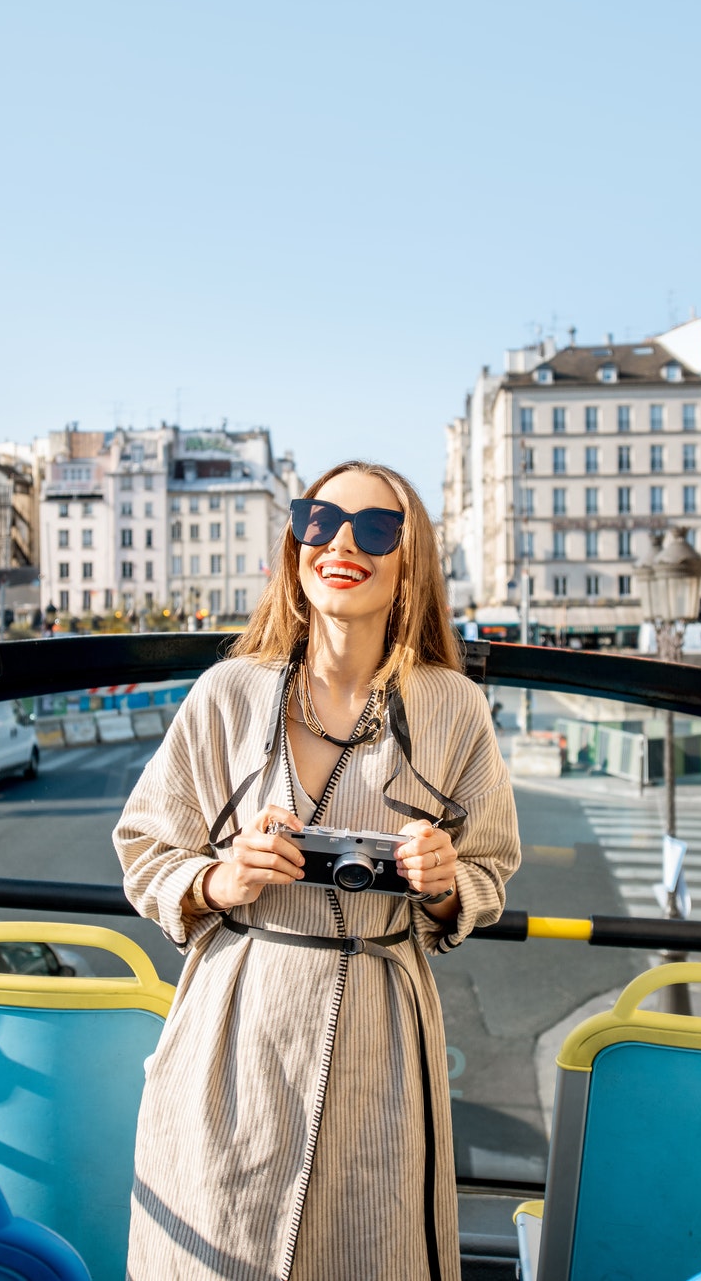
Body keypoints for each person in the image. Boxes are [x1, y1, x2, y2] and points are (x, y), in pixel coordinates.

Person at [115, 461, 523, 1281]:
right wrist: (220, 879)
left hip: (381, 1030)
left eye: (376, 530)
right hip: (233, 1025)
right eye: (319, 519)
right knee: (212, 1244)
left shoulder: (452, 706)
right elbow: (145, 844)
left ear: (410, 565)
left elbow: (491, 866)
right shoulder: (227, 693)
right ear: (294, 542)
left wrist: (442, 879)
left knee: (367, 1246)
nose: (341, 542)